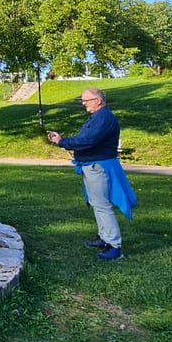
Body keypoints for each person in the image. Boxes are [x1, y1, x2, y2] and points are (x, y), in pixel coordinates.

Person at [46, 87, 137, 261]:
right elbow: (85, 138)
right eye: (82, 100)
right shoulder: (98, 117)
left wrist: (62, 141)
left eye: (86, 100)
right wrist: (63, 140)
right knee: (96, 203)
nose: (83, 103)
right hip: (92, 165)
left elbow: (88, 140)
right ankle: (104, 237)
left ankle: (114, 246)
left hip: (98, 166)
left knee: (102, 204)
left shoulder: (104, 118)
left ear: (98, 100)